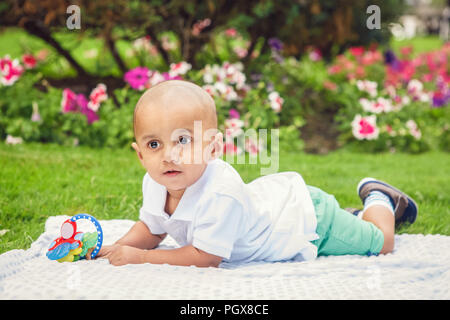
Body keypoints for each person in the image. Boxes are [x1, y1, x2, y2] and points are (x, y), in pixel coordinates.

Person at [93, 80, 418, 267]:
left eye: (183, 140)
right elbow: (152, 228)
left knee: (381, 242)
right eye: (153, 144)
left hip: (310, 221)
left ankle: (379, 199)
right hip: (275, 206)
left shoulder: (220, 191)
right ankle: (358, 214)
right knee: (365, 231)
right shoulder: (155, 182)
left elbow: (206, 258)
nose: (169, 155)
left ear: (212, 147)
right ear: (139, 154)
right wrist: (116, 247)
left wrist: (142, 259)